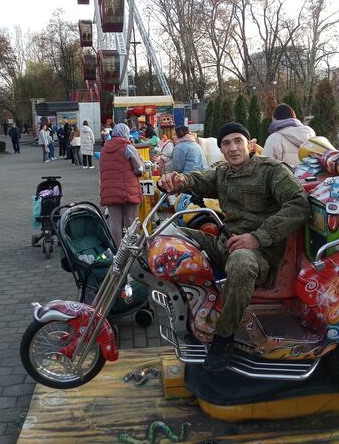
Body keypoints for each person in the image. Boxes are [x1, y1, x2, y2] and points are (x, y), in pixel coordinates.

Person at [159, 122, 310, 372]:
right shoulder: (223, 172)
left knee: (241, 261)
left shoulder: (271, 170)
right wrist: (177, 180)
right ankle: (193, 305)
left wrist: (258, 237)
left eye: (238, 141)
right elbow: (200, 179)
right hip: (225, 245)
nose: (233, 148)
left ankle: (224, 337)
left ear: (249, 144)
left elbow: (299, 204)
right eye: (226, 143)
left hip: (259, 255)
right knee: (168, 233)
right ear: (221, 149)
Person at [100, 123, 144, 246]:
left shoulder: (104, 150)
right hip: (128, 191)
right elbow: (139, 170)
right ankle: (130, 250)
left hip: (110, 192)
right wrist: (142, 163)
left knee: (115, 225)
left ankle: (117, 251)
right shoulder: (128, 148)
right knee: (131, 223)